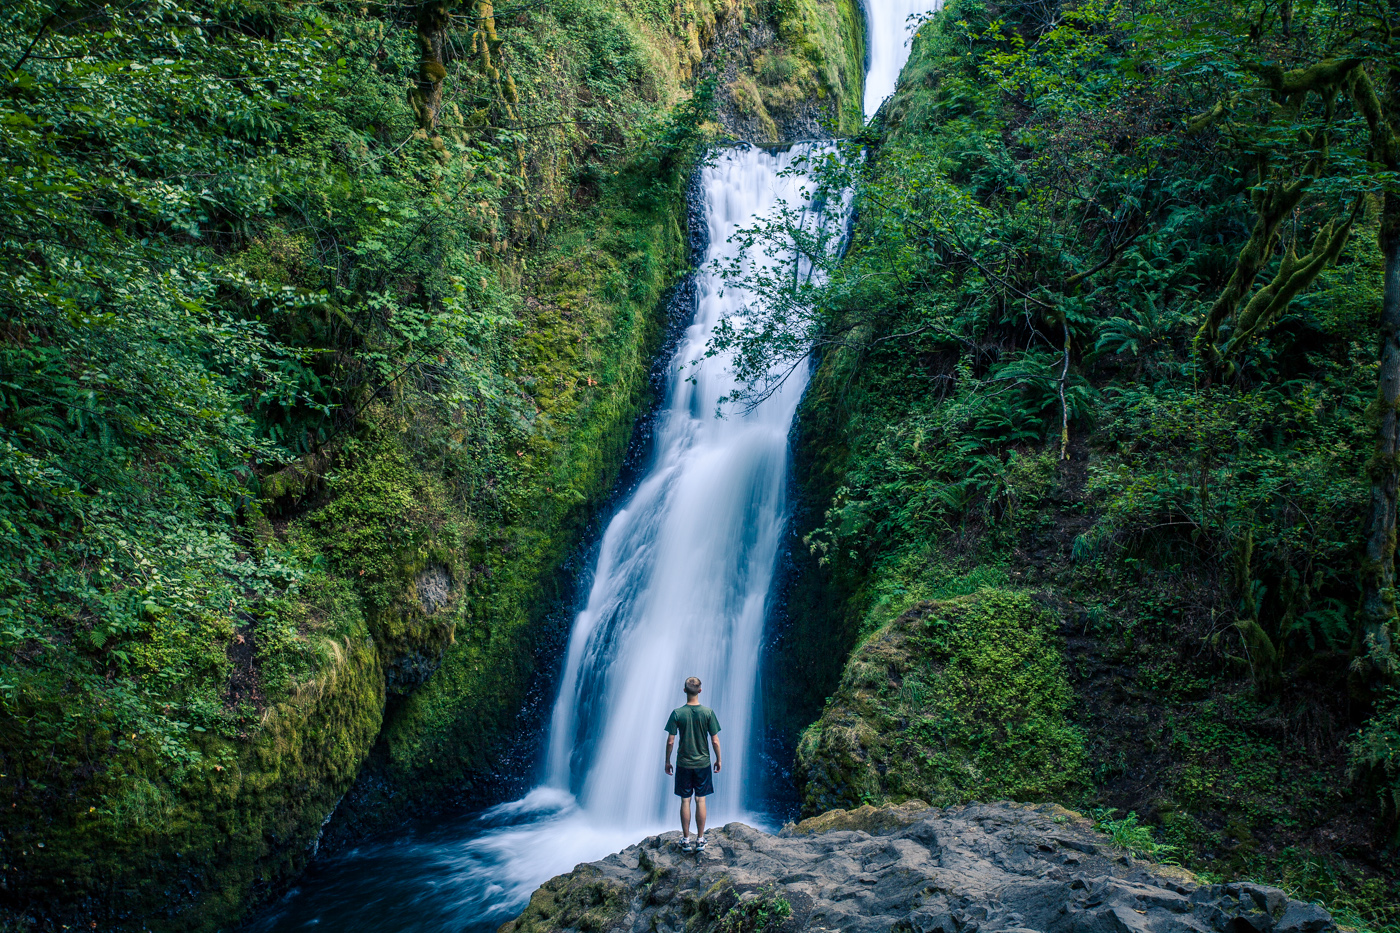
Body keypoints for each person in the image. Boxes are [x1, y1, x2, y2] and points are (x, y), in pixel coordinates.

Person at [663, 676, 722, 852]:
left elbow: (671, 742)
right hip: (703, 763)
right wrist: (718, 759)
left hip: (683, 764)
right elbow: (715, 740)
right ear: (700, 691)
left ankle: (686, 839)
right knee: (700, 799)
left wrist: (667, 761)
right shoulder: (708, 713)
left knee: (685, 800)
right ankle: (701, 840)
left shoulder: (677, 714)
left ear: (684, 690)